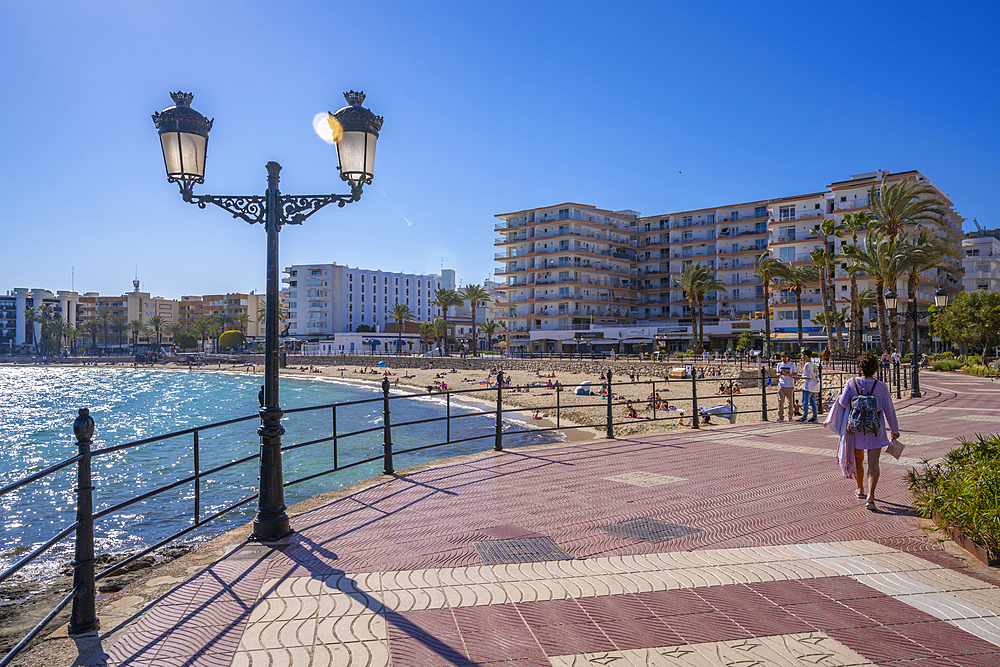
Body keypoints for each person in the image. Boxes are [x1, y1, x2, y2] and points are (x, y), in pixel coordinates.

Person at [824, 351, 900, 512]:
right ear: (876, 369)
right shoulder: (881, 386)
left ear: (860, 368)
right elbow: (889, 410)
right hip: (875, 430)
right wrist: (894, 430)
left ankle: (860, 489)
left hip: (855, 429)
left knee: (858, 461)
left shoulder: (851, 383)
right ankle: (870, 497)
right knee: (873, 464)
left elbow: (844, 403)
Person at [797, 350, 819, 423]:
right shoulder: (813, 364)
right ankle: (815, 417)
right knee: (813, 403)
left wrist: (798, 377)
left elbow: (808, 377)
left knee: (805, 402)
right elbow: (816, 375)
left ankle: (804, 417)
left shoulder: (807, 365)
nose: (801, 357)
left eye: (802, 355)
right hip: (814, 386)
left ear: (805, 356)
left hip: (808, 386)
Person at [775, 352, 798, 422]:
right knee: (780, 401)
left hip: (789, 385)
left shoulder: (792, 365)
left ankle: (790, 415)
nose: (783, 358)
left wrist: (787, 374)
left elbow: (795, 374)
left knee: (790, 402)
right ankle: (780, 416)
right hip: (781, 385)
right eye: (782, 357)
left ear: (788, 357)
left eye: (785, 357)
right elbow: (777, 372)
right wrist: (779, 374)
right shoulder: (779, 364)